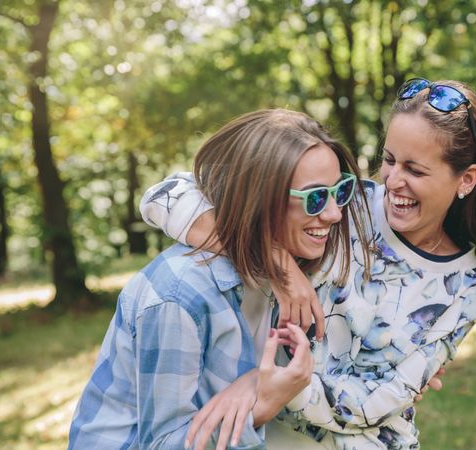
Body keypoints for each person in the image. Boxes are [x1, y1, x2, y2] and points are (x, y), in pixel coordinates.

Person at [141, 78, 476, 449]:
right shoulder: (347, 202)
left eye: (415, 170)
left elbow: (372, 403)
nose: (394, 181)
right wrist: (277, 264)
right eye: (390, 160)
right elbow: (165, 197)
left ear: (466, 179)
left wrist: (266, 384)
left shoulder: (464, 288)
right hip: (265, 437)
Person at [68, 109, 373, 450]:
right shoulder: (181, 295)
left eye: (340, 191)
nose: (333, 213)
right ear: (259, 199)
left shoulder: (303, 260)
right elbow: (163, 443)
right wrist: (261, 406)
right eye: (315, 198)